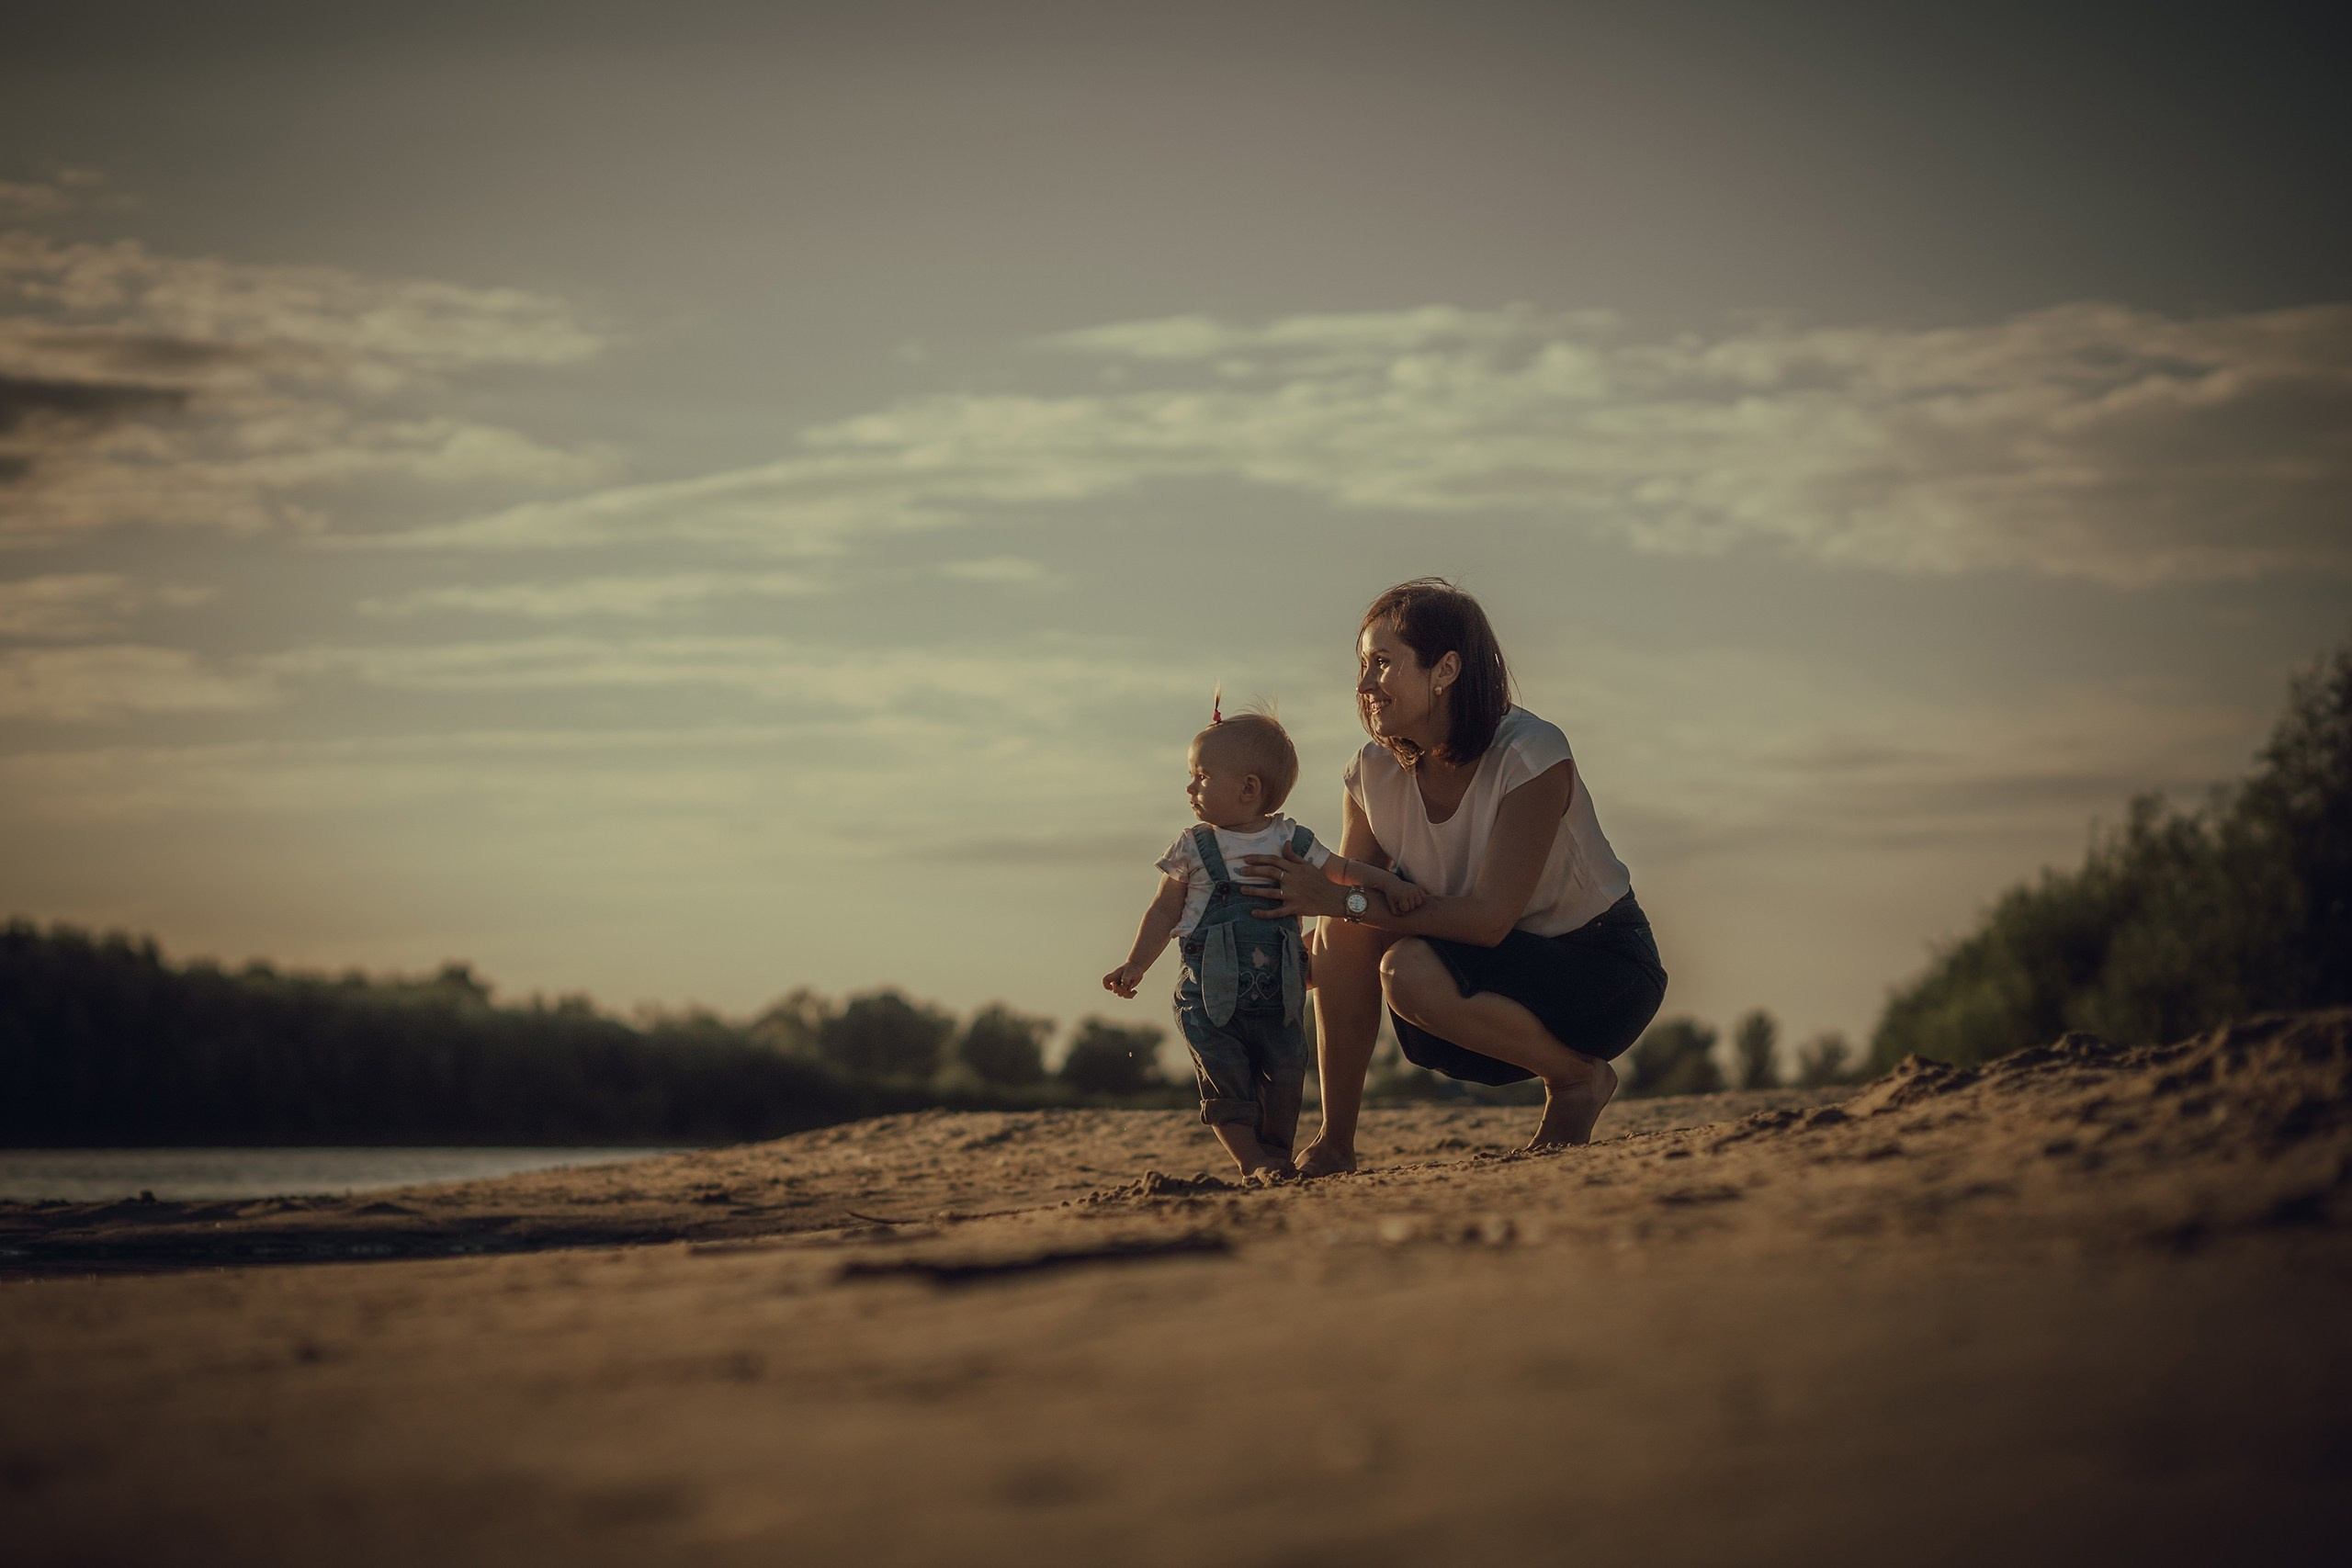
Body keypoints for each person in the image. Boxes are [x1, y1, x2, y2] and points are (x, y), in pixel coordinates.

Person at [1239, 580, 1667, 1172]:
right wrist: (1278, 952)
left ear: (1445, 670)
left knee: (1399, 961)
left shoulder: (1531, 753)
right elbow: (1348, 909)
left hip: (1597, 974)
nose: (1363, 685)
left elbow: (1490, 920)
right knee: (1342, 935)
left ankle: (1577, 1081)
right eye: (1362, 665)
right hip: (1471, 994)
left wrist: (1344, 913)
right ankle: (1336, 1143)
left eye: (1383, 664)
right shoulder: (1371, 772)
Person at [1102, 705, 1424, 1177]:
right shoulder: (1193, 846)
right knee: (1225, 1079)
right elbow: (1164, 910)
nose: (1190, 788)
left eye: (1202, 776)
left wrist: (1389, 884)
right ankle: (1251, 1159)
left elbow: (1342, 870)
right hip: (1211, 998)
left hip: (1283, 998)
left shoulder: (1290, 840)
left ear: (1249, 788)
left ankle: (1275, 1155)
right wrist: (1136, 964)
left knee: (1285, 1079)